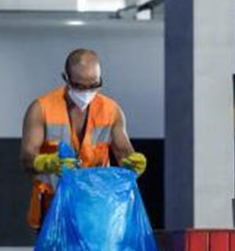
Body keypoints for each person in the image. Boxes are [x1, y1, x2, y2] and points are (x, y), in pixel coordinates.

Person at [20, 48, 147, 231]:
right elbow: (26, 158)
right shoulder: (41, 109)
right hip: (54, 211)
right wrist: (45, 162)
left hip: (97, 211)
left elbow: (124, 152)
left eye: (94, 85)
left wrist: (133, 163)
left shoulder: (111, 111)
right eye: (79, 86)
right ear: (66, 78)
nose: (87, 92)